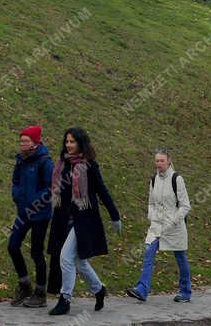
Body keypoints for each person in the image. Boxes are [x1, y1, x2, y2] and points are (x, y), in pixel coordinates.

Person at [46, 127, 121, 316]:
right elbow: (58, 192)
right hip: (65, 219)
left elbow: (102, 190)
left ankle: (65, 300)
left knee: (65, 257)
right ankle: (98, 289)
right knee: (79, 261)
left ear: (81, 143)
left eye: (72, 142)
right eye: (67, 141)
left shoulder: (89, 165)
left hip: (85, 219)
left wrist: (114, 215)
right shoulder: (62, 164)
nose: (69, 145)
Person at [125, 148, 192, 303]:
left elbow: (185, 206)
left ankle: (185, 291)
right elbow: (150, 203)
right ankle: (142, 289)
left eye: (162, 160)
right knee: (148, 252)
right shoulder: (154, 179)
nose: (159, 163)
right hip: (156, 226)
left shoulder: (177, 179)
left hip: (174, 227)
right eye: (157, 161)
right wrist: (152, 217)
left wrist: (173, 221)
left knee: (180, 257)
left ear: (169, 161)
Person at [8, 126, 54, 308]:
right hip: (23, 212)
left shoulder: (44, 162)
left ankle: (41, 292)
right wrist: (17, 196)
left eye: (25, 141)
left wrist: (34, 202)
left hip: (40, 214)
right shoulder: (21, 160)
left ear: (35, 142)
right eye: (21, 141)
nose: (22, 144)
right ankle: (25, 283)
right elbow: (16, 181)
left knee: (36, 252)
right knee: (12, 246)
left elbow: (50, 188)